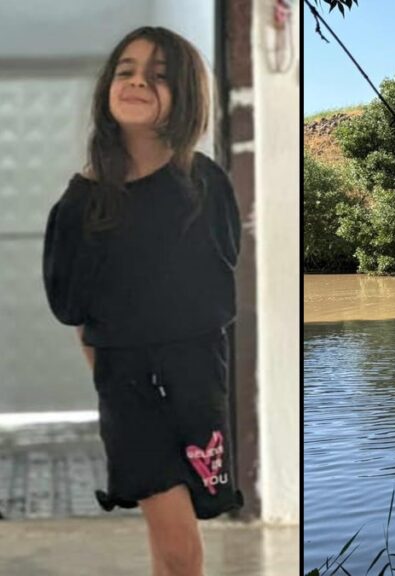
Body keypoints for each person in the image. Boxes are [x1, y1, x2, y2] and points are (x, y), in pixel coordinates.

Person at [42, 27, 241, 576]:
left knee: (171, 541)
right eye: (126, 71)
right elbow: (74, 311)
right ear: (109, 85)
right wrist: (114, 382)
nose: (136, 82)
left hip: (200, 379)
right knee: (179, 544)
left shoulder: (207, 184)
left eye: (157, 76)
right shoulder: (81, 203)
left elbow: (221, 283)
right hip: (127, 383)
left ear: (185, 95)